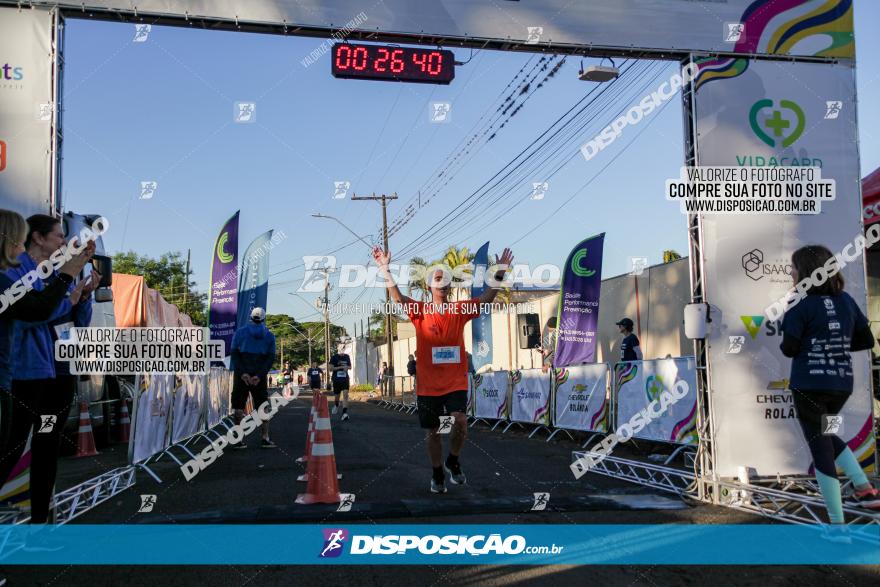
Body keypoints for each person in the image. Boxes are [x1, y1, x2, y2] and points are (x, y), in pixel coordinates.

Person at [373, 244, 514, 494]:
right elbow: (397, 297)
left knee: (460, 420)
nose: (444, 283)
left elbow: (486, 298)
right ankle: (437, 472)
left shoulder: (458, 310)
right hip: (428, 386)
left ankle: (453, 460)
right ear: (430, 286)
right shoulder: (420, 311)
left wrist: (500, 272)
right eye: (439, 279)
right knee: (434, 431)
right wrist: (385, 269)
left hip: (455, 383)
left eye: (447, 280)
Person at [0, 212, 96, 524]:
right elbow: (39, 312)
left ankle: (41, 520)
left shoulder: (51, 271)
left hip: (55, 374)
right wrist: (68, 285)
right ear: (38, 238)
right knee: (12, 451)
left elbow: (72, 320)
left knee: (46, 442)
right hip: (25, 376)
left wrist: (82, 297)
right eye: (58, 236)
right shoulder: (21, 269)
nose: (63, 243)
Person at [779, 245, 880, 539]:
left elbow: (789, 349)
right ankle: (864, 488)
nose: (791, 274)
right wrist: (834, 344)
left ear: (807, 274)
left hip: (809, 386)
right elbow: (866, 340)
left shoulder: (799, 305)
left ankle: (837, 527)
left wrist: (814, 344)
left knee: (820, 446)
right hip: (840, 387)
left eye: (794, 269)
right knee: (827, 435)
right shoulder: (846, 301)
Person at [229, 307, 277, 448]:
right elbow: (270, 358)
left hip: (241, 375)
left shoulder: (239, 333)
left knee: (238, 406)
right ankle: (265, 438)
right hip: (259, 377)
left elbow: (234, 354)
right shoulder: (269, 336)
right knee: (263, 406)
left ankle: (238, 440)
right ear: (263, 319)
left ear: (250, 317)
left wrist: (243, 373)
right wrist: (258, 375)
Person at [329, 345, 352, 421]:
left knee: (345, 395)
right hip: (336, 379)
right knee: (337, 397)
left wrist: (347, 367)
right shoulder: (334, 357)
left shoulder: (347, 356)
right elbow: (331, 368)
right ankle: (336, 405)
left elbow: (350, 366)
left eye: (344, 348)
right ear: (338, 348)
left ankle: (344, 413)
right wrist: (341, 367)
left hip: (345, 379)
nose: (342, 349)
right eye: (341, 347)